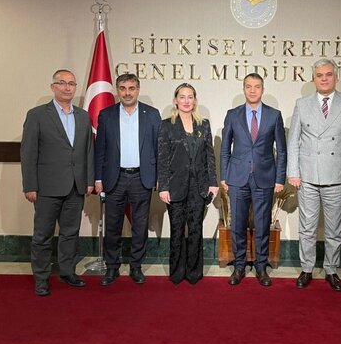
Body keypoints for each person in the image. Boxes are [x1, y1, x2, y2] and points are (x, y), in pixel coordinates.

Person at [287, 58, 341, 292]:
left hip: (337, 175)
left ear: (336, 77)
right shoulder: (302, 104)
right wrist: (293, 172)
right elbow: (293, 141)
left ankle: (331, 269)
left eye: (328, 74)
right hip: (308, 176)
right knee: (307, 227)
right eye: (319, 75)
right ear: (313, 79)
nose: (324, 79)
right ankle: (307, 268)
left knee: (334, 229)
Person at [21, 69, 94, 296]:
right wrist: (30, 185)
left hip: (76, 186)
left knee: (70, 234)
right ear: (53, 87)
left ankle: (67, 272)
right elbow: (28, 153)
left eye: (71, 83)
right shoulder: (37, 115)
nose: (67, 87)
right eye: (62, 83)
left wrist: (89, 180)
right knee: (42, 236)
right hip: (46, 188)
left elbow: (88, 151)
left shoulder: (83, 116)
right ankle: (41, 279)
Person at [94, 73, 161, 286]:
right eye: (123, 88)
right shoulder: (106, 115)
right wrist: (98, 178)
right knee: (112, 225)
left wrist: (159, 176)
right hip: (115, 178)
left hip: (142, 177)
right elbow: (100, 149)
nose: (127, 93)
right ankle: (112, 267)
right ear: (117, 90)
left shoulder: (152, 114)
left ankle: (136, 266)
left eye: (131, 88)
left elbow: (159, 149)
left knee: (140, 225)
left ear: (138, 90)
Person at [220, 74, 287, 287]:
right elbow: (225, 149)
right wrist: (224, 176)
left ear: (262, 89)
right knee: (237, 224)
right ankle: (239, 266)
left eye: (257, 86)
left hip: (265, 178)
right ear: (243, 89)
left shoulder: (274, 115)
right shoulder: (232, 115)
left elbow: (282, 151)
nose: (252, 90)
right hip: (237, 178)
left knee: (262, 225)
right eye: (248, 86)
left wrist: (279, 178)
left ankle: (261, 267)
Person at [158, 83, 218, 285]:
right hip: (175, 186)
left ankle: (193, 273)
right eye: (182, 97)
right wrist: (163, 187)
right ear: (175, 100)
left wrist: (213, 183)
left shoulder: (204, 124)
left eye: (190, 97)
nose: (186, 101)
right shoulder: (166, 125)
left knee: (195, 230)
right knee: (176, 230)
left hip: (199, 187)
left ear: (195, 100)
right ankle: (177, 272)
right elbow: (162, 158)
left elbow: (209, 156)